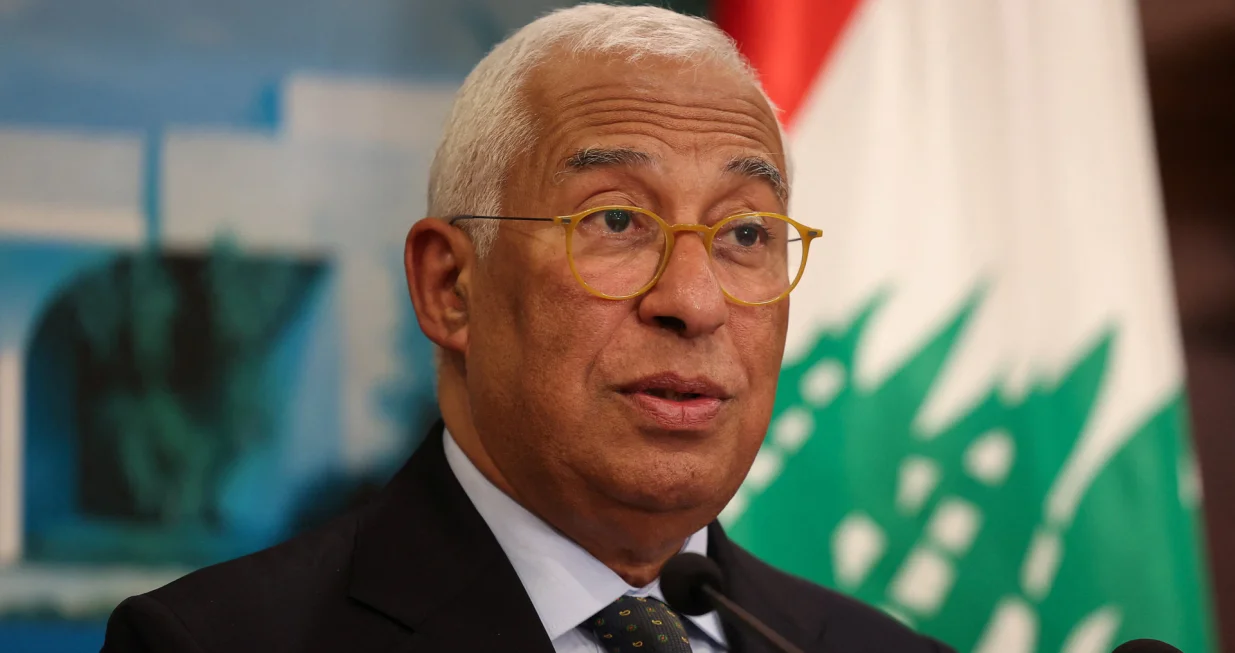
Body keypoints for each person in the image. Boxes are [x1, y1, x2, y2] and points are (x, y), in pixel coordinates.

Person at [101, 4, 954, 652]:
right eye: (616, 220)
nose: (694, 302)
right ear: (451, 287)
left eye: (743, 233)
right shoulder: (212, 641)